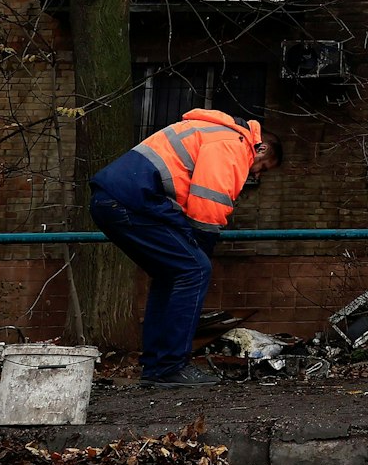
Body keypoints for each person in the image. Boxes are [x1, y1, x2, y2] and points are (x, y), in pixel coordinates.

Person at [89, 108, 280, 386]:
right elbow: (208, 203)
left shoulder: (211, 132)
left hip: (119, 200)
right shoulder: (234, 144)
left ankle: (156, 367)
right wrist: (202, 247)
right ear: (261, 148)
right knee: (195, 270)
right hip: (133, 201)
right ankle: (169, 367)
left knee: (172, 275)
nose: (256, 175)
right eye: (261, 168)